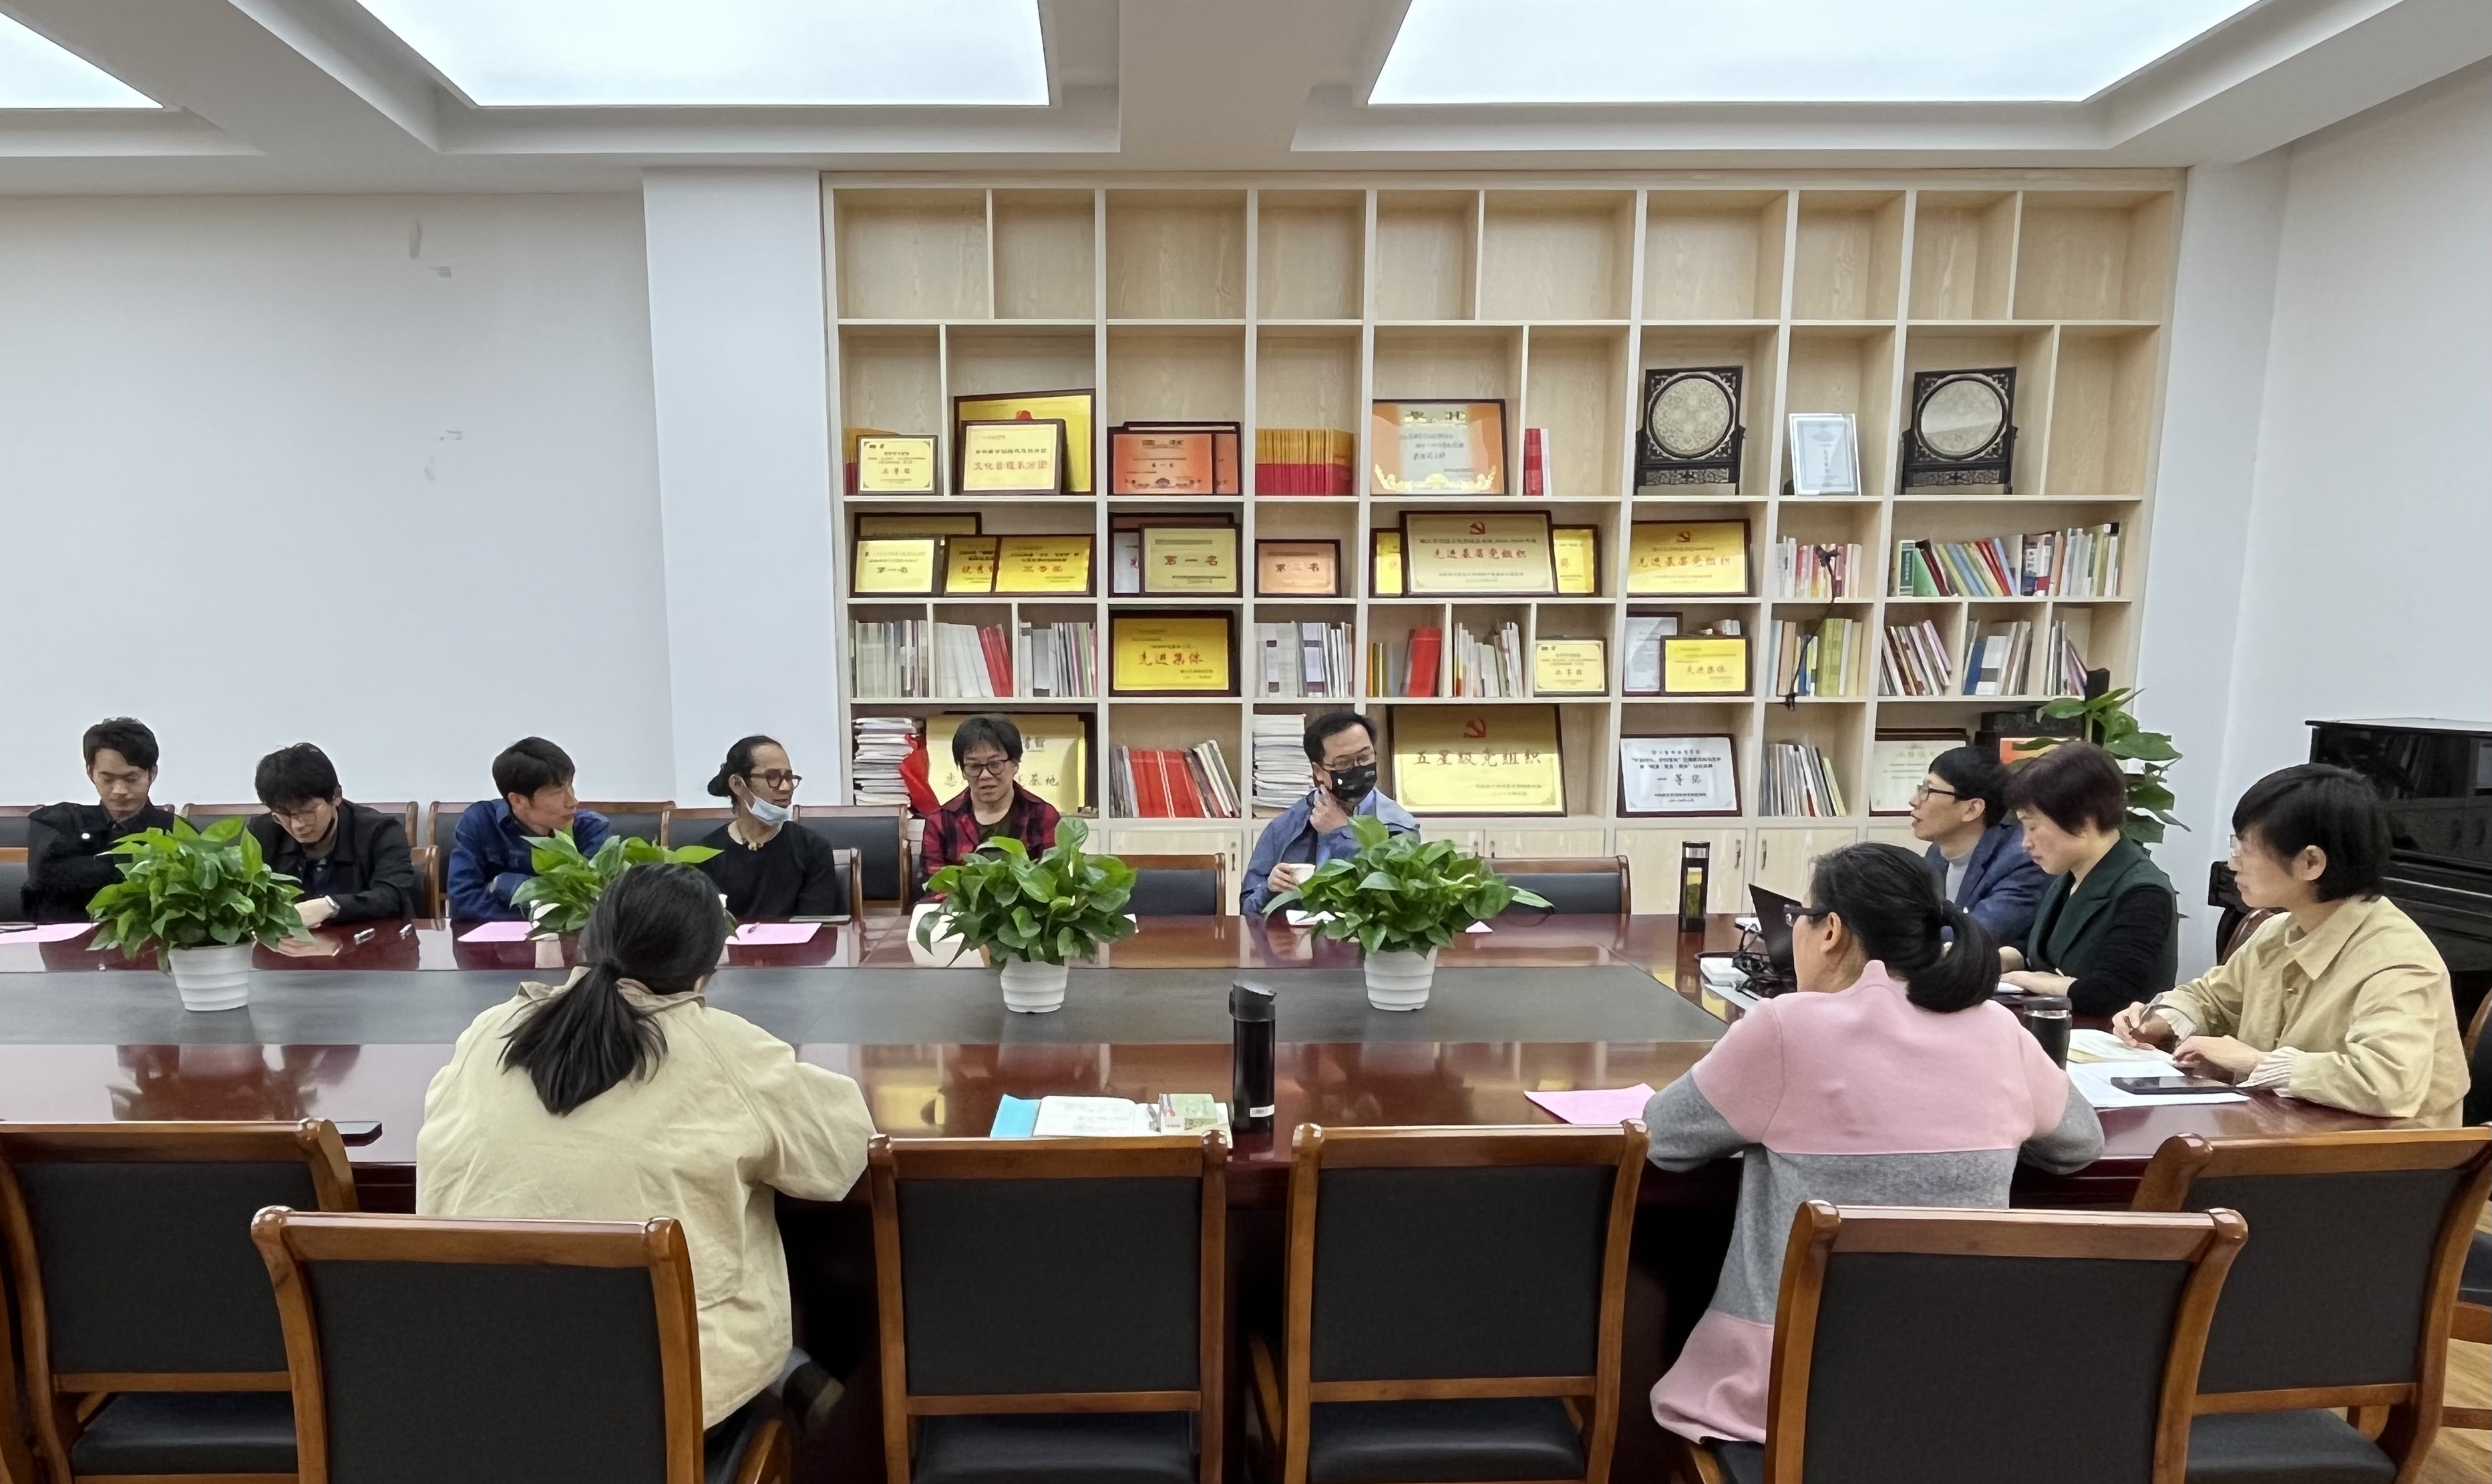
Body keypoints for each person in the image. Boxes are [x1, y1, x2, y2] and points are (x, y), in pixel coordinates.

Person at [1641, 843, 2102, 1447]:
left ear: (1830, 931)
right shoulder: (1995, 1026)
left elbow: (1661, 1137)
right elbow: (2078, 1143)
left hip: (1791, 1390)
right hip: (1960, 1388)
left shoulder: (1785, 1027)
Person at [417, 864, 874, 1429]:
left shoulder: (491, 1030)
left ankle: (788, 1367)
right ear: (705, 973)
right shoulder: (722, 1047)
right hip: (656, 1399)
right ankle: (794, 1381)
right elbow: (841, 1153)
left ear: (587, 942)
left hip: (475, 1379)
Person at [2113, 764, 2470, 1125]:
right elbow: (2212, 999)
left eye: (2245, 849)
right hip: (2280, 1129)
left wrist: (2255, 1063)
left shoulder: (2398, 961)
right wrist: (2163, 1021)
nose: (2233, 864)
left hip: (2380, 1152)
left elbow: (2387, 1082)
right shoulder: (2278, 931)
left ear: (2311, 862)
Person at [1998, 741, 2177, 1016]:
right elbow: (2053, 953)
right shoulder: (2071, 875)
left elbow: (2114, 994)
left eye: (2033, 826)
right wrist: (2004, 959)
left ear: (2084, 821)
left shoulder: (2144, 892)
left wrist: (2033, 980)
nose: (2026, 843)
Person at [1241, 711, 1419, 916]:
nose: (1358, 768)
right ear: (1318, 771)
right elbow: (1247, 910)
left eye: (1364, 757)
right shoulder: (1286, 826)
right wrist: (1269, 890)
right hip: (1295, 935)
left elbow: (1399, 905)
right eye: (1343, 763)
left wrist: (1342, 834)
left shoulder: (1399, 826)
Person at [244, 743, 421, 928]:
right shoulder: (265, 832)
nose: (297, 825)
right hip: (292, 942)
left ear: (336, 796)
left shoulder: (381, 831)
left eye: (307, 811)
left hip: (369, 940)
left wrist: (330, 906)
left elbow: (393, 898)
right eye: (283, 815)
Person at [23, 718, 178, 922]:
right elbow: (41, 892)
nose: (119, 790)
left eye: (131, 779)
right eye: (108, 779)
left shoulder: (175, 831)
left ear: (152, 774)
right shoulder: (60, 825)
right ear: (90, 772)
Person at [446, 737, 610, 920]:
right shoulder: (480, 822)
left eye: (570, 786)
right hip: (495, 938)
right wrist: (544, 912)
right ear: (518, 801)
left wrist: (507, 884)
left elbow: (592, 906)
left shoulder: (590, 829)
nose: (573, 802)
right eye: (557, 793)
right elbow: (463, 903)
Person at [1910, 745, 2049, 945]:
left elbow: (1978, 934)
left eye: (1928, 791)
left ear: (1972, 809)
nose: (1914, 801)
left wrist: (1895, 936)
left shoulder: (2022, 861)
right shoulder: (1937, 852)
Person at [693, 735, 846, 918]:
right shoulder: (706, 854)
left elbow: (814, 925)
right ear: (738, 785)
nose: (786, 787)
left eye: (789, 777)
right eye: (772, 777)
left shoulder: (813, 848)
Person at [919, 713, 1059, 892]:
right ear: (963, 771)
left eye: (995, 765)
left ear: (1015, 764)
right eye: (974, 767)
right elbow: (934, 886)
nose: (985, 775)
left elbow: (1052, 884)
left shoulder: (1043, 816)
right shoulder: (940, 822)